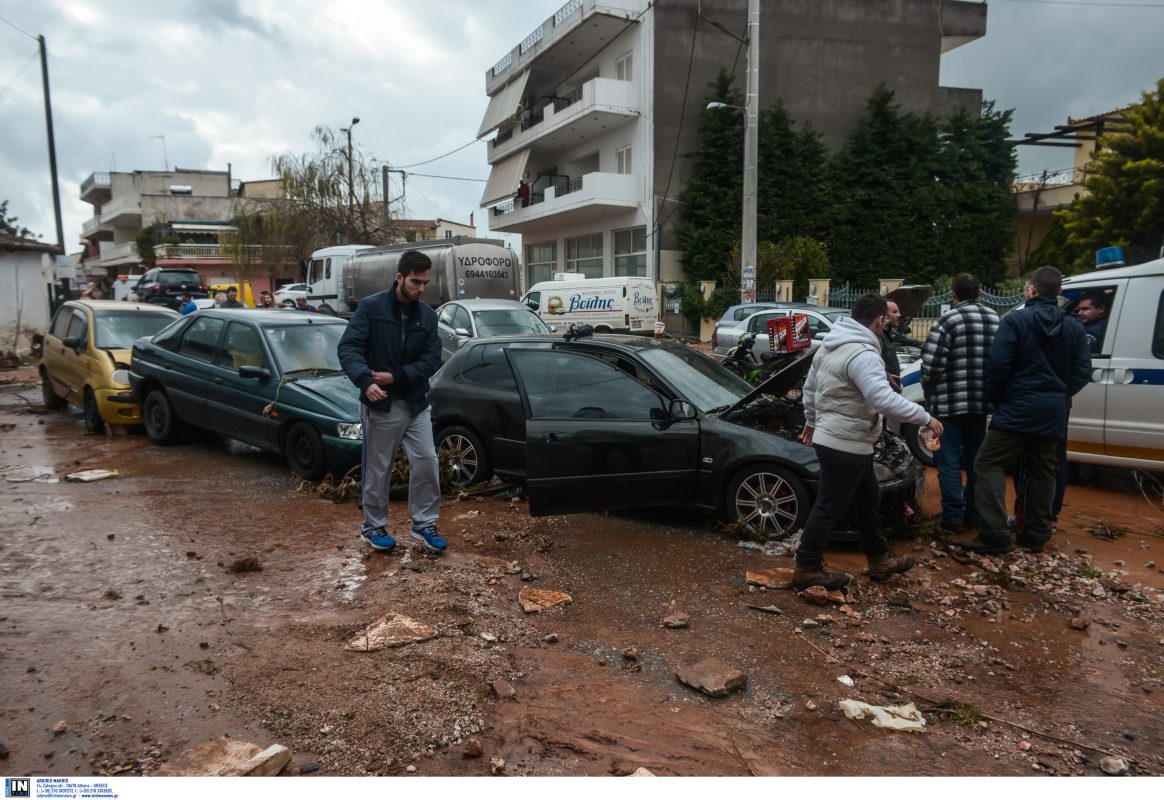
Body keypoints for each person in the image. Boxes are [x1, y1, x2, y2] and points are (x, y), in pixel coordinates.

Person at [792, 292, 942, 590]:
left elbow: (810, 387)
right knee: (829, 506)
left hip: (842, 439)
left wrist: (811, 420)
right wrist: (925, 417)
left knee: (867, 499)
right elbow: (882, 400)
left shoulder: (830, 346)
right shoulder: (863, 353)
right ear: (879, 321)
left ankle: (878, 560)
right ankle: (806, 568)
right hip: (844, 442)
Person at [962, 266, 1091, 555]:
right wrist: (1059, 393)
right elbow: (1083, 372)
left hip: (1017, 407)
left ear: (1031, 289)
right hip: (1053, 410)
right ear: (1058, 293)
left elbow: (998, 366)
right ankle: (1035, 534)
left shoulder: (1016, 321)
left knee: (987, 463)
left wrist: (998, 400)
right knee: (1044, 470)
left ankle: (995, 533)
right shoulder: (1074, 326)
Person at [337, 250, 445, 554]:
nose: (421, 288)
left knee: (426, 461)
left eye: (425, 282)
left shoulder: (427, 315)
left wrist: (395, 376)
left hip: (416, 403)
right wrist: (366, 381)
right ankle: (373, 528)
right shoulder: (371, 308)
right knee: (378, 468)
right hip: (382, 405)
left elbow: (431, 359)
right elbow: (348, 349)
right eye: (415, 282)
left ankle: (423, 524)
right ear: (400, 277)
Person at [920, 273, 1000, 536]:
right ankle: (974, 513)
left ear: (953, 294)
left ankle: (953, 518)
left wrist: (929, 391)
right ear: (980, 293)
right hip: (981, 403)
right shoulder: (995, 319)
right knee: (976, 460)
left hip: (949, 404)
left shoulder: (948, 320)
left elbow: (931, 365)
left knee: (949, 461)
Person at [880, 299, 903, 391]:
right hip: (885, 389)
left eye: (899, 311)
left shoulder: (888, 334)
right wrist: (886, 375)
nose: (899, 315)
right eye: (894, 312)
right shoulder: (879, 336)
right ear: (884, 316)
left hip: (893, 388)